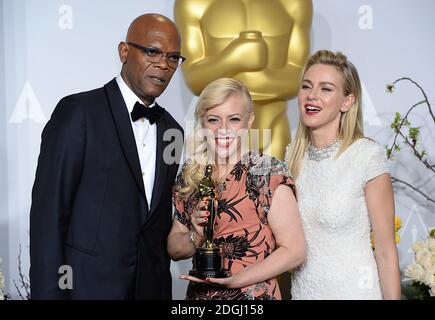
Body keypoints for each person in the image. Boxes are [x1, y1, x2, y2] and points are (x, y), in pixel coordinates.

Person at [30, 13, 184, 299]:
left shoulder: (172, 130)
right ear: (124, 51)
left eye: (173, 57)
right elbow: (48, 218)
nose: (163, 64)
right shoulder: (79, 113)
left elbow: (156, 223)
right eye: (152, 51)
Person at [167, 78, 306, 300]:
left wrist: (237, 279)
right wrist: (196, 233)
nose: (223, 130)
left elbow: (295, 251)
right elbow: (174, 249)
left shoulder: (267, 172)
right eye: (213, 119)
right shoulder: (191, 174)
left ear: (249, 121)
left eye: (233, 119)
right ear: (202, 122)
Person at [285, 50, 401, 299]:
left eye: (326, 89)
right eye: (307, 86)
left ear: (347, 102)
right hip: (304, 293)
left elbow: (385, 251)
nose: (312, 96)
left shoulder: (367, 157)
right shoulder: (290, 160)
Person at [174, 0, 313, 159]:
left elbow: (301, 80)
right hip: (217, 136)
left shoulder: (294, 4)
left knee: (275, 182)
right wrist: (234, 57)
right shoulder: (193, 4)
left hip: (272, 130)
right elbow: (194, 80)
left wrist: (257, 77)